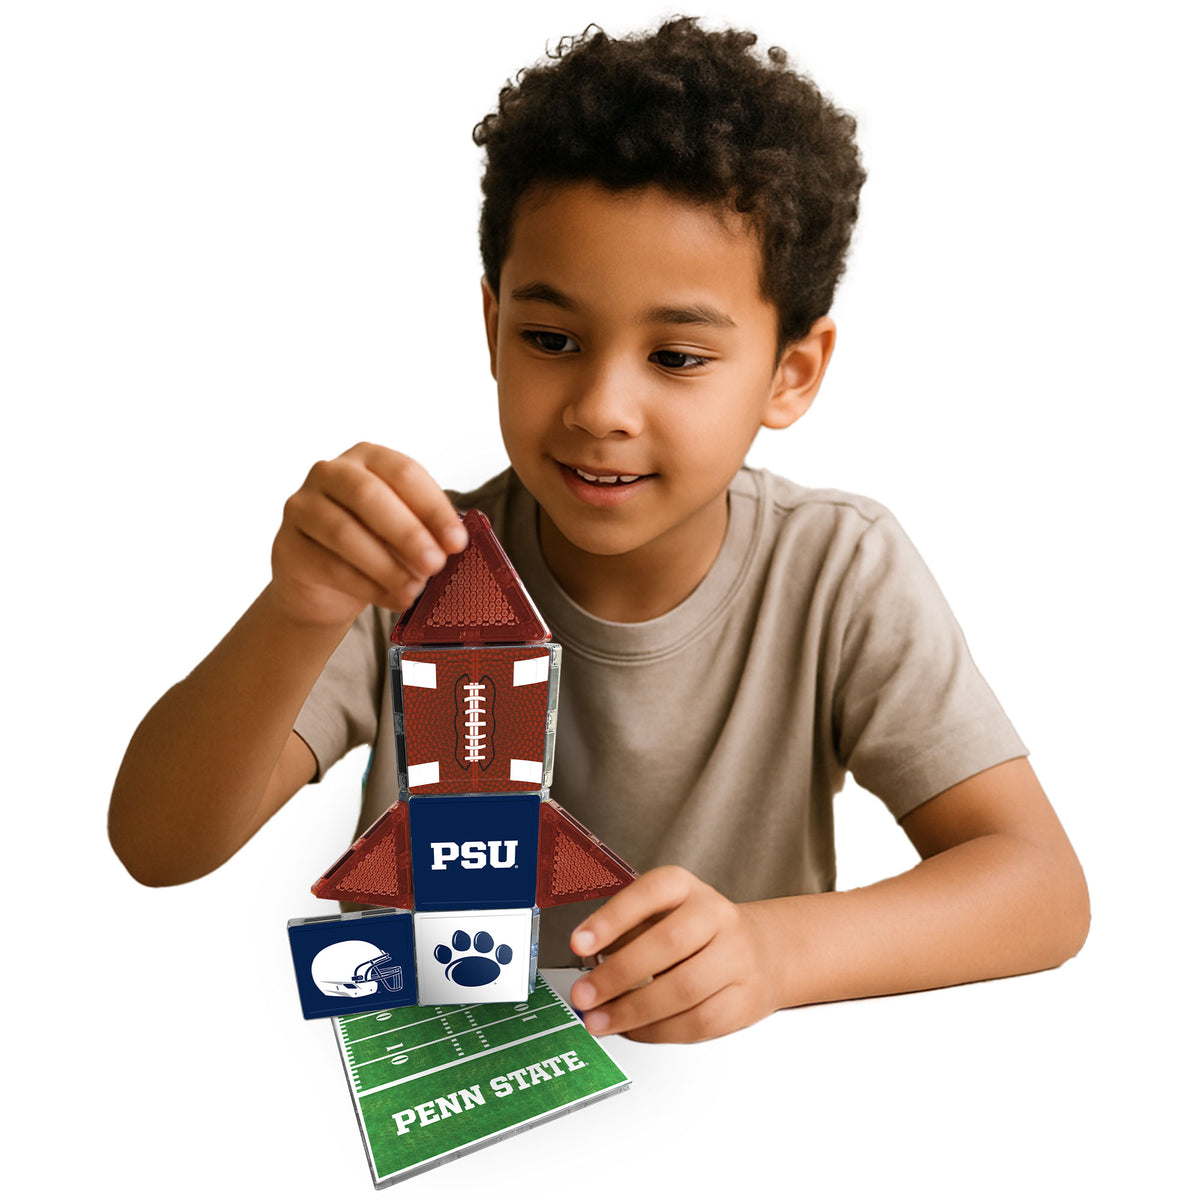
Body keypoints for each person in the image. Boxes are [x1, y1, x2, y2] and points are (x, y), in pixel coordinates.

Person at [109, 18, 1089, 1043]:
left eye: (677, 357)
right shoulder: (406, 561)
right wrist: (298, 605)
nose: (601, 406)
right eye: (551, 339)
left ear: (791, 373)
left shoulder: (837, 569)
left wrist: (772, 951)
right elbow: (158, 844)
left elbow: (1041, 890)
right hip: (436, 1102)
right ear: (492, 328)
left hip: (713, 1124)